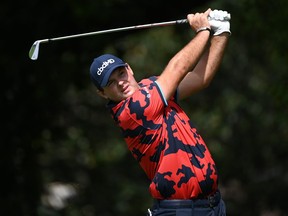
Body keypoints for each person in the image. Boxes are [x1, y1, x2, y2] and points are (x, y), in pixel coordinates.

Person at [89, 8, 231, 216]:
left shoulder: (152, 87)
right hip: (180, 210)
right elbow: (177, 68)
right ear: (102, 94)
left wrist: (220, 34)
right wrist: (203, 31)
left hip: (213, 205)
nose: (121, 83)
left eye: (121, 73)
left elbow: (201, 78)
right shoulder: (131, 111)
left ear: (129, 69)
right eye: (111, 83)